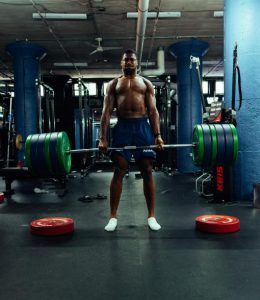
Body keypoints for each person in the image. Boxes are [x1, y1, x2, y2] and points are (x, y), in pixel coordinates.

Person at [98, 49, 164, 231]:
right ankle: (113, 217)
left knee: (147, 170)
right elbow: (106, 113)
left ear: (137, 63)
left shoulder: (146, 83)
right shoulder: (113, 84)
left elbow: (153, 111)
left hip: (142, 127)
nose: (128, 62)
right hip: (123, 127)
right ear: (121, 63)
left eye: (131, 60)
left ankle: (151, 216)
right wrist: (102, 138)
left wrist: (157, 135)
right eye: (125, 60)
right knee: (119, 169)